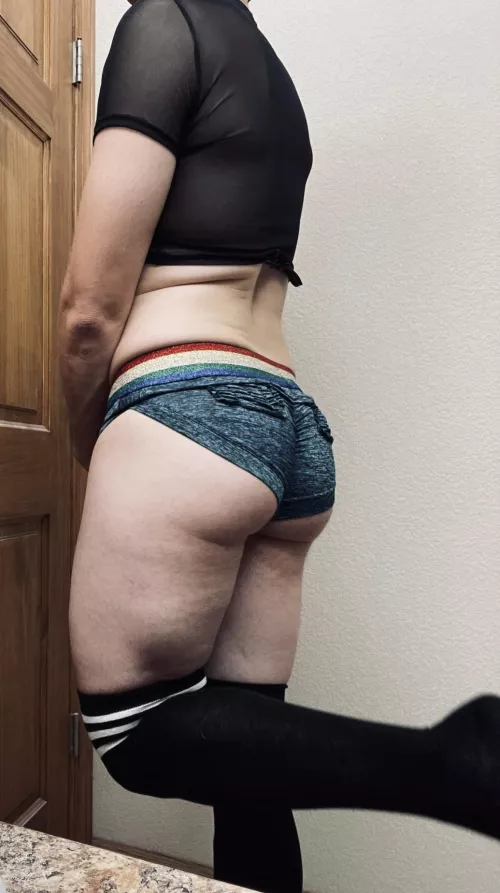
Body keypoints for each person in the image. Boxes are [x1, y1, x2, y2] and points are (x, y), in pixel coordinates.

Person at [60, 0, 500, 890]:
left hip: (185, 404)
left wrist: (86, 437)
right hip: (288, 423)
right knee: (251, 774)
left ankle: (450, 760)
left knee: (134, 732)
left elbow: (88, 313)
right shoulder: (268, 71)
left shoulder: (163, 25)